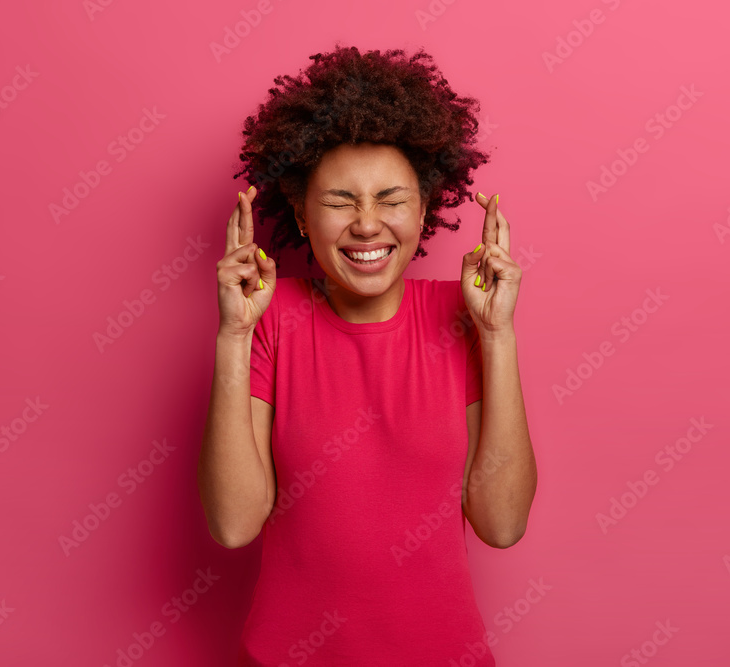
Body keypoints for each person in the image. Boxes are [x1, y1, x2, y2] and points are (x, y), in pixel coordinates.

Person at [199, 44, 537, 666]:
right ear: (300, 215)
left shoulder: (463, 317)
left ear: (426, 207)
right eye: (338, 202)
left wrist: (498, 334)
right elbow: (233, 524)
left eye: (390, 199)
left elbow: (503, 524)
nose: (366, 224)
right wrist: (233, 336)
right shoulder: (270, 318)